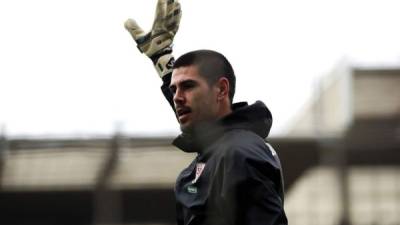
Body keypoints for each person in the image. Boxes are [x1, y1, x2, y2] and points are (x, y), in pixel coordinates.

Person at [124, 0, 288, 224]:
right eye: (174, 89)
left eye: (188, 86)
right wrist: (162, 59)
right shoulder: (218, 150)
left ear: (221, 89)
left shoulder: (239, 154)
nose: (177, 97)